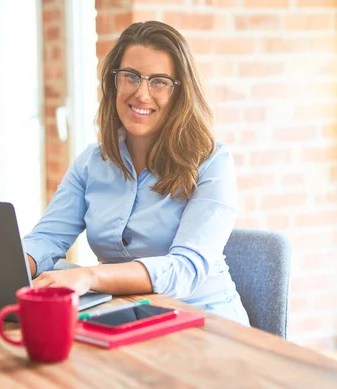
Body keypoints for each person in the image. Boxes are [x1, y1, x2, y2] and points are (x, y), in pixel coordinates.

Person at [21, 21, 250, 326]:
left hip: (205, 320)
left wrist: (90, 275)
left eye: (159, 81)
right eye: (130, 77)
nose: (141, 93)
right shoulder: (92, 163)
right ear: (114, 82)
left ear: (180, 92)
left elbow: (185, 268)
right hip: (126, 318)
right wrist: (5, 267)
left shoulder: (212, 162)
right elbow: (46, 239)